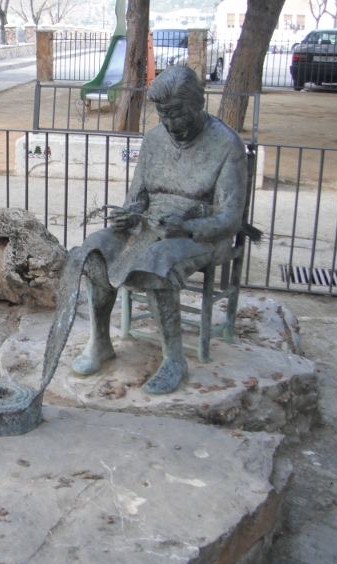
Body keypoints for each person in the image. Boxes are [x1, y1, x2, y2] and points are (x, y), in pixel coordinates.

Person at [69, 66, 247, 394]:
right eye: (163, 115)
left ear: (198, 104)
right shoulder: (154, 139)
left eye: (177, 115)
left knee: (159, 259)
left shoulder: (227, 145)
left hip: (203, 234)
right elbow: (136, 200)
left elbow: (229, 220)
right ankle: (100, 343)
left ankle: (174, 358)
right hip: (151, 227)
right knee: (95, 249)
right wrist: (127, 216)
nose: (170, 124)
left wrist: (188, 226)